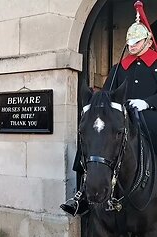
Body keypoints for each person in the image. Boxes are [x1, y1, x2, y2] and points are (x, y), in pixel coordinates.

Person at [61, 1, 157, 216]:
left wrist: (148, 102)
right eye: (130, 41)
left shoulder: (156, 65)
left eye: (136, 41)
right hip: (121, 118)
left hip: (149, 115)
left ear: (148, 41)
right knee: (93, 137)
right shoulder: (118, 68)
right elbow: (106, 94)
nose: (131, 45)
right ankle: (82, 195)